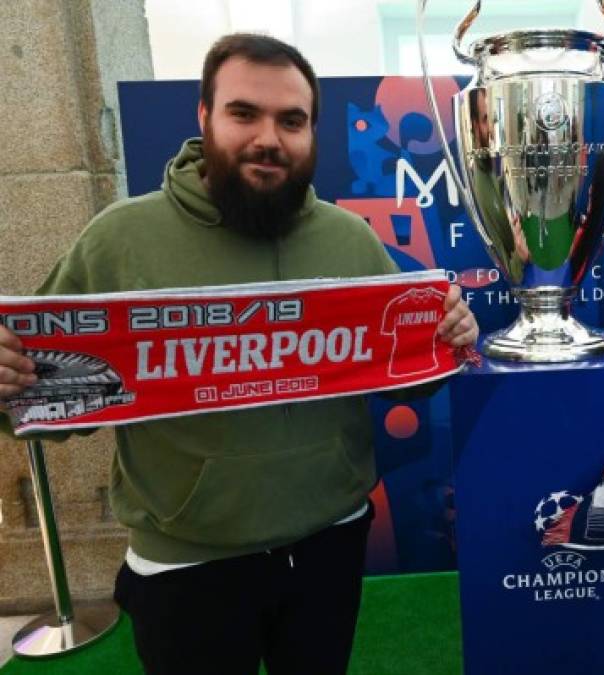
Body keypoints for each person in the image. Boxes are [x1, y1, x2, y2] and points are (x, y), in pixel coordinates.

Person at [0, 33, 478, 675]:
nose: (268, 139)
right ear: (205, 117)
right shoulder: (119, 239)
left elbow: (404, 379)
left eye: (291, 120)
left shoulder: (349, 241)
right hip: (186, 562)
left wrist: (446, 340)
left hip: (329, 541)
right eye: (244, 113)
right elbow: (52, 400)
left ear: (313, 132)